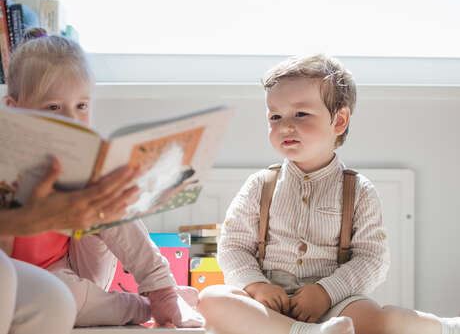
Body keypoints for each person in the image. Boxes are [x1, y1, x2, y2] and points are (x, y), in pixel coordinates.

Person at [198, 54, 460, 334]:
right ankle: (303, 332)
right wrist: (256, 285)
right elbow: (233, 246)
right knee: (211, 300)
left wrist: (326, 292)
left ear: (339, 121)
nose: (285, 125)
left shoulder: (359, 190)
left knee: (374, 316)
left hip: (336, 305)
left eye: (301, 114)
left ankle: (441, 326)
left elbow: (372, 259)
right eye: (275, 116)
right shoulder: (260, 185)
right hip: (268, 305)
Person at [3, 28, 204, 328]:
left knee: (110, 197)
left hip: (71, 264)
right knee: (68, 297)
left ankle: (162, 289)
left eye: (81, 106)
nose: (71, 119)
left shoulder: (81, 160)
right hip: (27, 277)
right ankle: (141, 308)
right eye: (53, 107)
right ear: (14, 110)